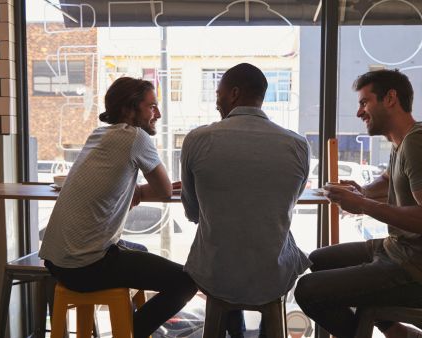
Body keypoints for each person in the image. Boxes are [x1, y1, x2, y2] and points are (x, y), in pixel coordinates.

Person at [294, 70, 422, 338]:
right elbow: (389, 181)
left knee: (308, 290)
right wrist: (361, 191)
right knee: (319, 260)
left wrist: (363, 204)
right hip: (400, 251)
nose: (359, 113)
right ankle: (398, 333)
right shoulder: (402, 142)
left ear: (390, 98)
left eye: (364, 102)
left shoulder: (420, 143)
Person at [39, 77, 197, 338]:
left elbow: (130, 184)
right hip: (85, 267)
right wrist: (163, 188)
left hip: (57, 261)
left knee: (140, 250)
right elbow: (164, 190)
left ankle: (131, 328)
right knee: (184, 282)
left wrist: (144, 189)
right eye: (151, 106)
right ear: (129, 109)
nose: (157, 113)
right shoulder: (136, 137)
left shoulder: (100, 134)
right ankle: (130, 333)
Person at [180, 63, 312, 337]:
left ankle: (234, 331)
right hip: (271, 273)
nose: (216, 101)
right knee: (273, 245)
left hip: (217, 271)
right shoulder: (298, 145)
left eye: (219, 93)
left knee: (224, 247)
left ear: (234, 94)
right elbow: (288, 203)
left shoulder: (197, 140)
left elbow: (193, 211)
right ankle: (269, 329)